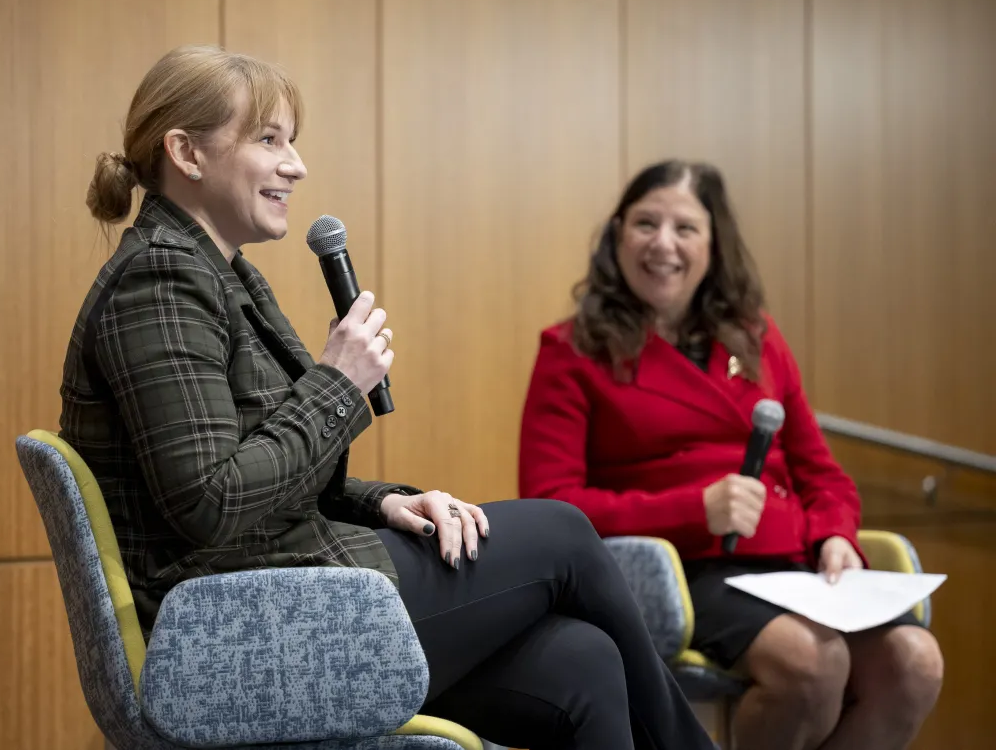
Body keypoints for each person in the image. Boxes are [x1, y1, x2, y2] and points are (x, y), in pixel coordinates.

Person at [58, 45, 715, 750]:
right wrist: (339, 382)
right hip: (235, 631)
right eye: (269, 140)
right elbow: (210, 502)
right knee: (562, 534)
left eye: (293, 141)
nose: (296, 165)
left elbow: (262, 470)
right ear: (186, 152)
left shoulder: (221, 274)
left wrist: (385, 503)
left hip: (283, 592)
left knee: (586, 662)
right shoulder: (159, 279)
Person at [518, 159, 945, 750]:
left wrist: (835, 535)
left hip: (794, 569)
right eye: (645, 223)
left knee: (915, 661)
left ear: (714, 245)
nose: (663, 243)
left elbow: (822, 473)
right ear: (617, 235)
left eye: (685, 228)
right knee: (810, 662)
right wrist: (694, 509)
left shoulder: (758, 338)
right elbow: (550, 507)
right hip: (688, 570)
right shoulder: (571, 351)